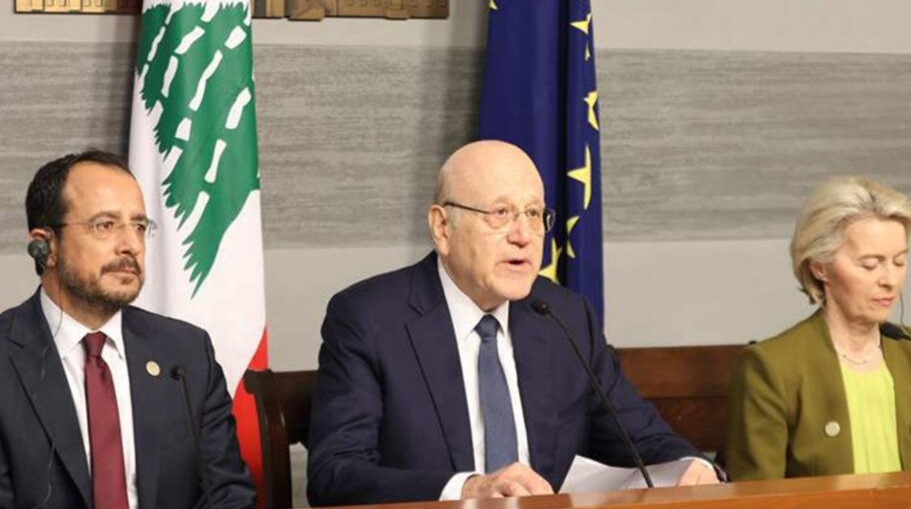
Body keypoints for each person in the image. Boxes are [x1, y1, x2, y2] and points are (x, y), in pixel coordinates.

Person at [307, 140, 718, 506]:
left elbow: (643, 439)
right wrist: (469, 490)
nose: (524, 235)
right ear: (442, 226)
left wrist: (691, 465)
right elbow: (335, 476)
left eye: (535, 214)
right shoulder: (369, 319)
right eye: (500, 213)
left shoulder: (565, 317)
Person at [0, 150, 256, 508]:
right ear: (45, 246)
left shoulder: (186, 353)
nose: (131, 245)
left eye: (139, 226)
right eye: (105, 225)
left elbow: (227, 497)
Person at [725, 176, 911, 481]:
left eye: (899, 261)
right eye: (870, 264)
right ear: (819, 266)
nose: (890, 280)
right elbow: (756, 499)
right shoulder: (770, 366)